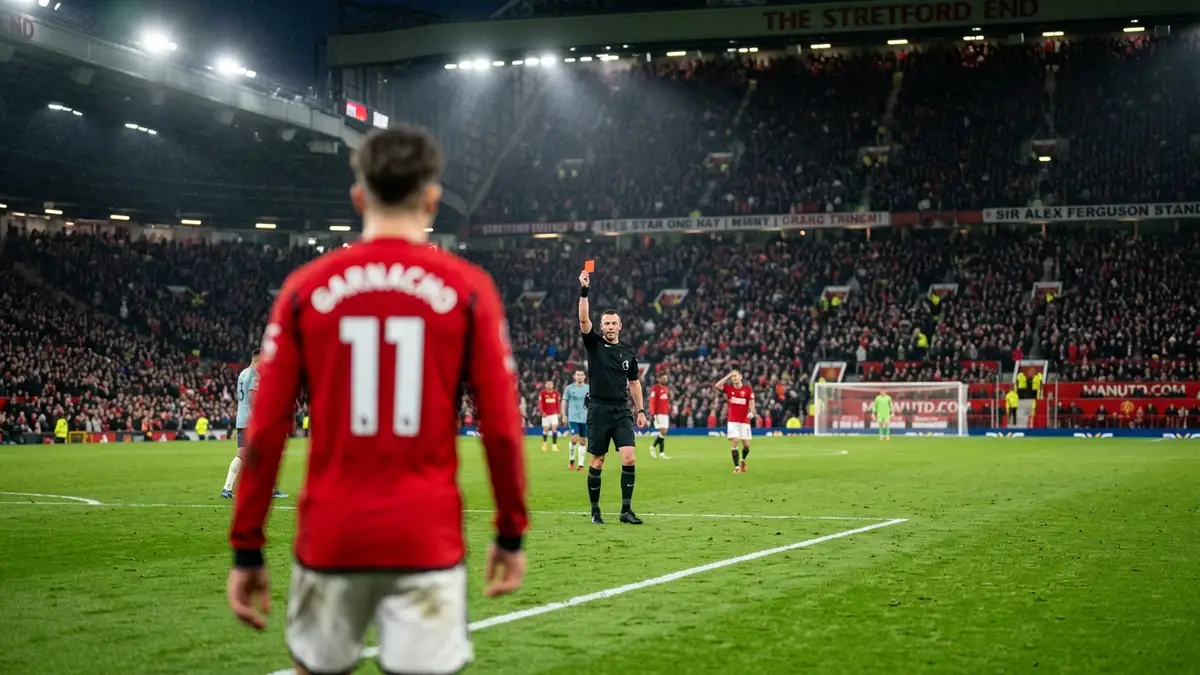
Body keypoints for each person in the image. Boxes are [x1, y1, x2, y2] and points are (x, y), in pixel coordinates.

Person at [227, 125, 529, 675]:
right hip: (426, 537)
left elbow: (265, 432)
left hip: (331, 535)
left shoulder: (305, 289)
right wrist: (510, 532)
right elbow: (503, 429)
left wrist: (247, 546)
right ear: (432, 200)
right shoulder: (467, 289)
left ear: (359, 196)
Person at [578, 268, 645, 525]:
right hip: (598, 409)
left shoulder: (628, 351)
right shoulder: (594, 344)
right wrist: (584, 290)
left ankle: (626, 510)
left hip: (621, 411)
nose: (608, 327)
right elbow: (584, 320)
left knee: (629, 457)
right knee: (598, 460)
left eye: (612, 323)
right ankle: (595, 511)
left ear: (620, 325)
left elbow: (635, 383)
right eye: (605, 323)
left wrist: (640, 410)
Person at [221, 350, 286, 499]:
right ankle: (269, 489)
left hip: (241, 419)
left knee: (242, 454)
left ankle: (227, 488)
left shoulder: (243, 373)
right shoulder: (255, 374)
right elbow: (252, 396)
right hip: (252, 420)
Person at [715, 370, 755, 473]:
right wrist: (727, 376)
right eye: (732, 377)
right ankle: (737, 467)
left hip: (744, 421)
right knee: (735, 440)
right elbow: (717, 385)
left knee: (746, 445)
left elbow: (751, 402)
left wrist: (752, 412)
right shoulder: (729, 389)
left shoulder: (747, 390)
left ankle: (742, 461)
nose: (734, 378)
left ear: (741, 377)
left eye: (735, 376)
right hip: (733, 420)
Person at [562, 370, 590, 471]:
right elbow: (564, 401)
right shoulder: (569, 388)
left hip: (585, 418)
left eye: (581, 375)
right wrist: (564, 415)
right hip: (573, 418)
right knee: (574, 439)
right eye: (578, 374)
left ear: (584, 377)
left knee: (583, 441)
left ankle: (581, 465)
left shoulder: (589, 388)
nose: (579, 377)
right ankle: (571, 460)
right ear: (574, 376)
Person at [648, 373, 672, 459]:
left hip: (665, 413)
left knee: (664, 432)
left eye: (666, 378)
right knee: (663, 431)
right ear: (659, 379)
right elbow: (652, 401)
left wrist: (668, 407)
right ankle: (653, 447)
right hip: (658, 413)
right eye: (664, 378)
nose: (666, 379)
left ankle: (660, 453)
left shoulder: (666, 388)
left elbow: (665, 401)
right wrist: (652, 413)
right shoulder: (655, 388)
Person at [539, 380, 561, 452]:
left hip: (554, 414)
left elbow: (558, 403)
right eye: (548, 384)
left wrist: (559, 412)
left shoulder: (556, 393)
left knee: (554, 428)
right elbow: (540, 403)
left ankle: (554, 445)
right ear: (545, 385)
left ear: (553, 385)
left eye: (550, 384)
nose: (549, 386)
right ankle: (544, 444)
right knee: (546, 429)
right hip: (545, 414)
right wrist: (542, 412)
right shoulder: (542, 393)